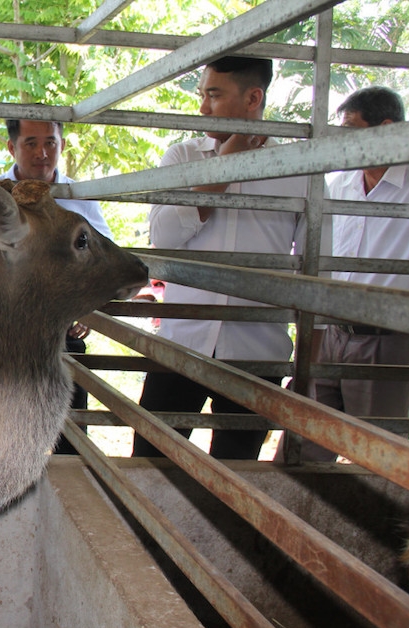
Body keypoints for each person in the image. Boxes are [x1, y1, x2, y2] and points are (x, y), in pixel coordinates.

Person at [131, 56, 307, 461]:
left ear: (253, 98)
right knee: (149, 462)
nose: (203, 107)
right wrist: (224, 166)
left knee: (236, 472)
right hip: (182, 346)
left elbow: (317, 258)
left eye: (214, 95)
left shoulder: (299, 168)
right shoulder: (182, 157)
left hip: (257, 353)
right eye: (202, 94)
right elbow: (164, 236)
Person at [282, 86, 409, 462]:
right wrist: (310, 339)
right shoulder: (341, 185)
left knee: (378, 459)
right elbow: (322, 260)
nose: (342, 140)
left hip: (389, 341)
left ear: (385, 128)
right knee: (300, 450)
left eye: (351, 129)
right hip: (330, 335)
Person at [0, 118, 114, 455]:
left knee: (71, 438)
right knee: (4, 440)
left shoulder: (81, 197)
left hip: (64, 336)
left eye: (50, 142)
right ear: (12, 147)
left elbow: (105, 259)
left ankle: (69, 505)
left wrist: (87, 309)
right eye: (30, 143)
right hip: (5, 334)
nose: (42, 153)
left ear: (62, 145)